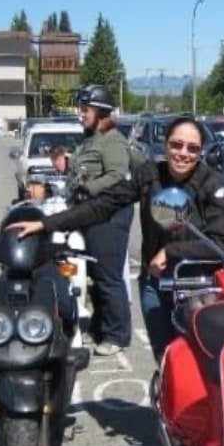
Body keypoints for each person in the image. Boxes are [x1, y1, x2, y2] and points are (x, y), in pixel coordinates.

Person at [6, 116, 224, 364]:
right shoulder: (149, 175)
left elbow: (222, 245)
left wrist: (172, 251)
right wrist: (45, 223)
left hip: (198, 285)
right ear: (165, 145)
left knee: (199, 361)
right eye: (176, 144)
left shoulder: (214, 185)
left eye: (192, 148)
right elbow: (103, 205)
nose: (183, 153)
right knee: (165, 358)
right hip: (156, 283)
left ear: (201, 151)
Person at [68, 85, 133, 356]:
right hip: (90, 214)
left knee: (108, 276)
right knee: (94, 275)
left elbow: (118, 174)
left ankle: (117, 335)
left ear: (101, 112)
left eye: (86, 110)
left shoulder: (112, 139)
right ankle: (100, 326)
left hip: (109, 215)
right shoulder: (90, 139)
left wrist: (89, 189)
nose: (81, 114)